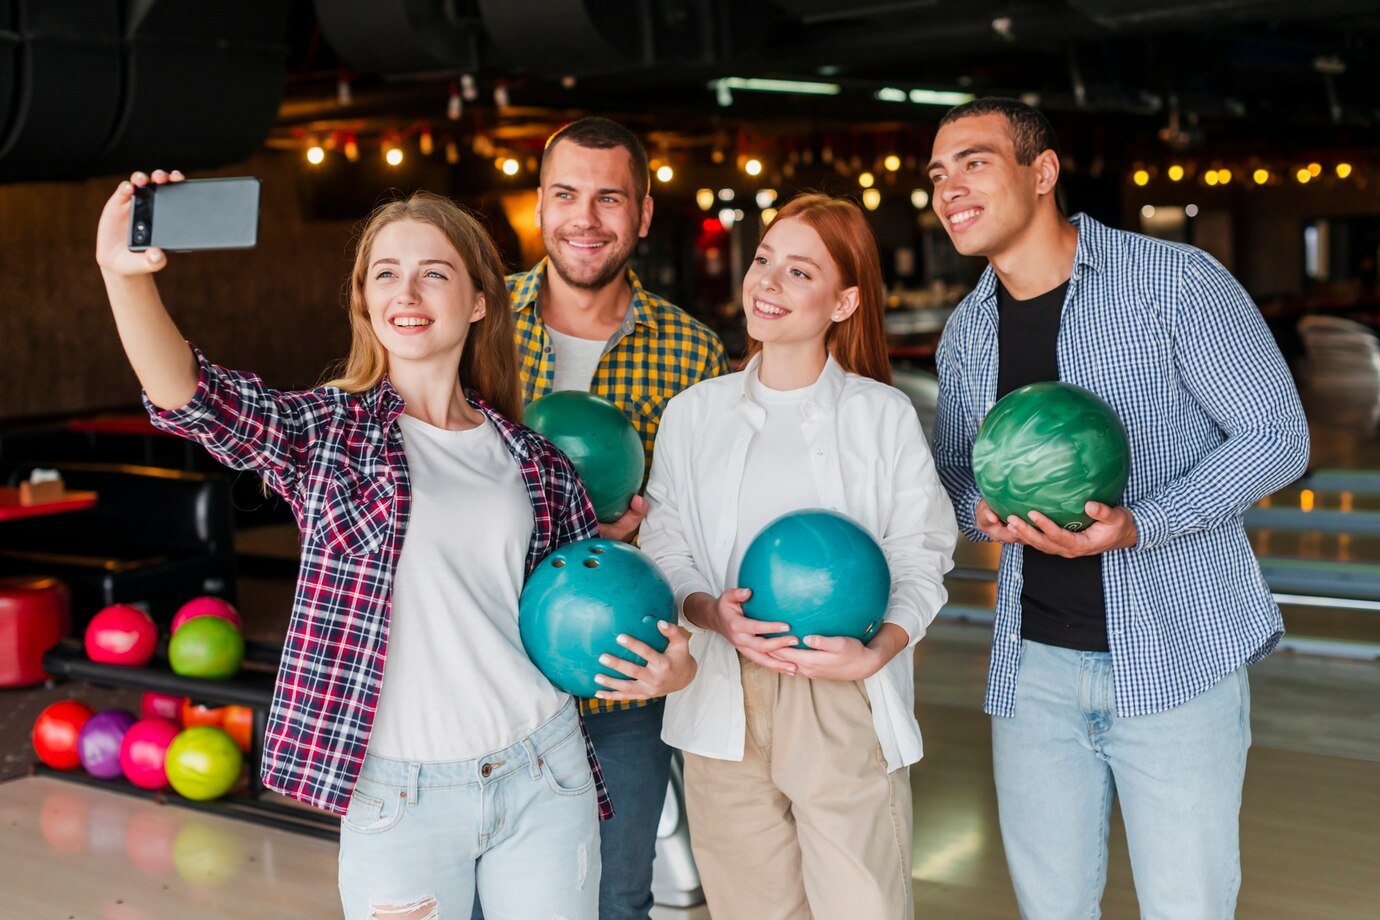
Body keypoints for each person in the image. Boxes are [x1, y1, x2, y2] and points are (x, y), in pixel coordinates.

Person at [96, 173, 611, 919]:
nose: (407, 291)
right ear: (366, 303)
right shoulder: (332, 433)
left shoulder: (534, 461)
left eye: (434, 273)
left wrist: (666, 656)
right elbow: (192, 399)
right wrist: (124, 276)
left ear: (477, 301)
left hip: (543, 767)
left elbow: (580, 615)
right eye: (385, 274)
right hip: (401, 791)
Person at [927, 98, 1310, 919]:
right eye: (937, 173)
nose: (947, 186)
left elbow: (1277, 435)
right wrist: (980, 510)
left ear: (1043, 171)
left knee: (1187, 905)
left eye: (972, 161)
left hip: (1178, 658)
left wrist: (1142, 523)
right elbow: (958, 469)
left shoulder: (1173, 283)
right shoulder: (966, 334)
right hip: (1033, 671)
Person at [640, 193, 958, 919]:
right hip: (723, 690)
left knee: (863, 905)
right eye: (763, 261)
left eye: (799, 272)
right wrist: (707, 611)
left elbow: (922, 550)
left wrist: (877, 653)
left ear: (844, 301)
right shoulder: (696, 412)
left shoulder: (880, 415)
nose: (768, 283)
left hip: (840, 687)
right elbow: (667, 541)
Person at [501, 116, 730, 920]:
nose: (585, 219)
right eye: (565, 194)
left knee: (615, 900)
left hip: (621, 684)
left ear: (641, 215)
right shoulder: (476, 323)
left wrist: (650, 538)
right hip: (487, 672)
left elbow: (704, 522)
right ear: (539, 205)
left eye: (609, 198)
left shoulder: (694, 351)